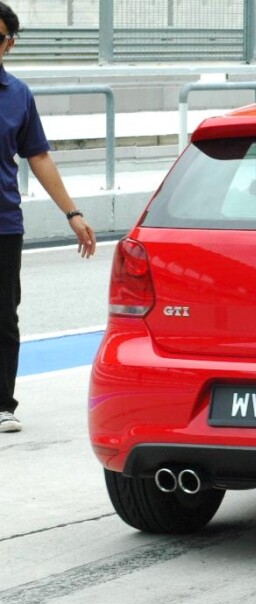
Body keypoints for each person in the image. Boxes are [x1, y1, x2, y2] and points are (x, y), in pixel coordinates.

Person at [1, 2, 96, 433]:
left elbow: (37, 155)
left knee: (4, 315)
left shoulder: (18, 95)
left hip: (3, 223)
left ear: (10, 43)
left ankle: (2, 403)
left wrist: (72, 212)